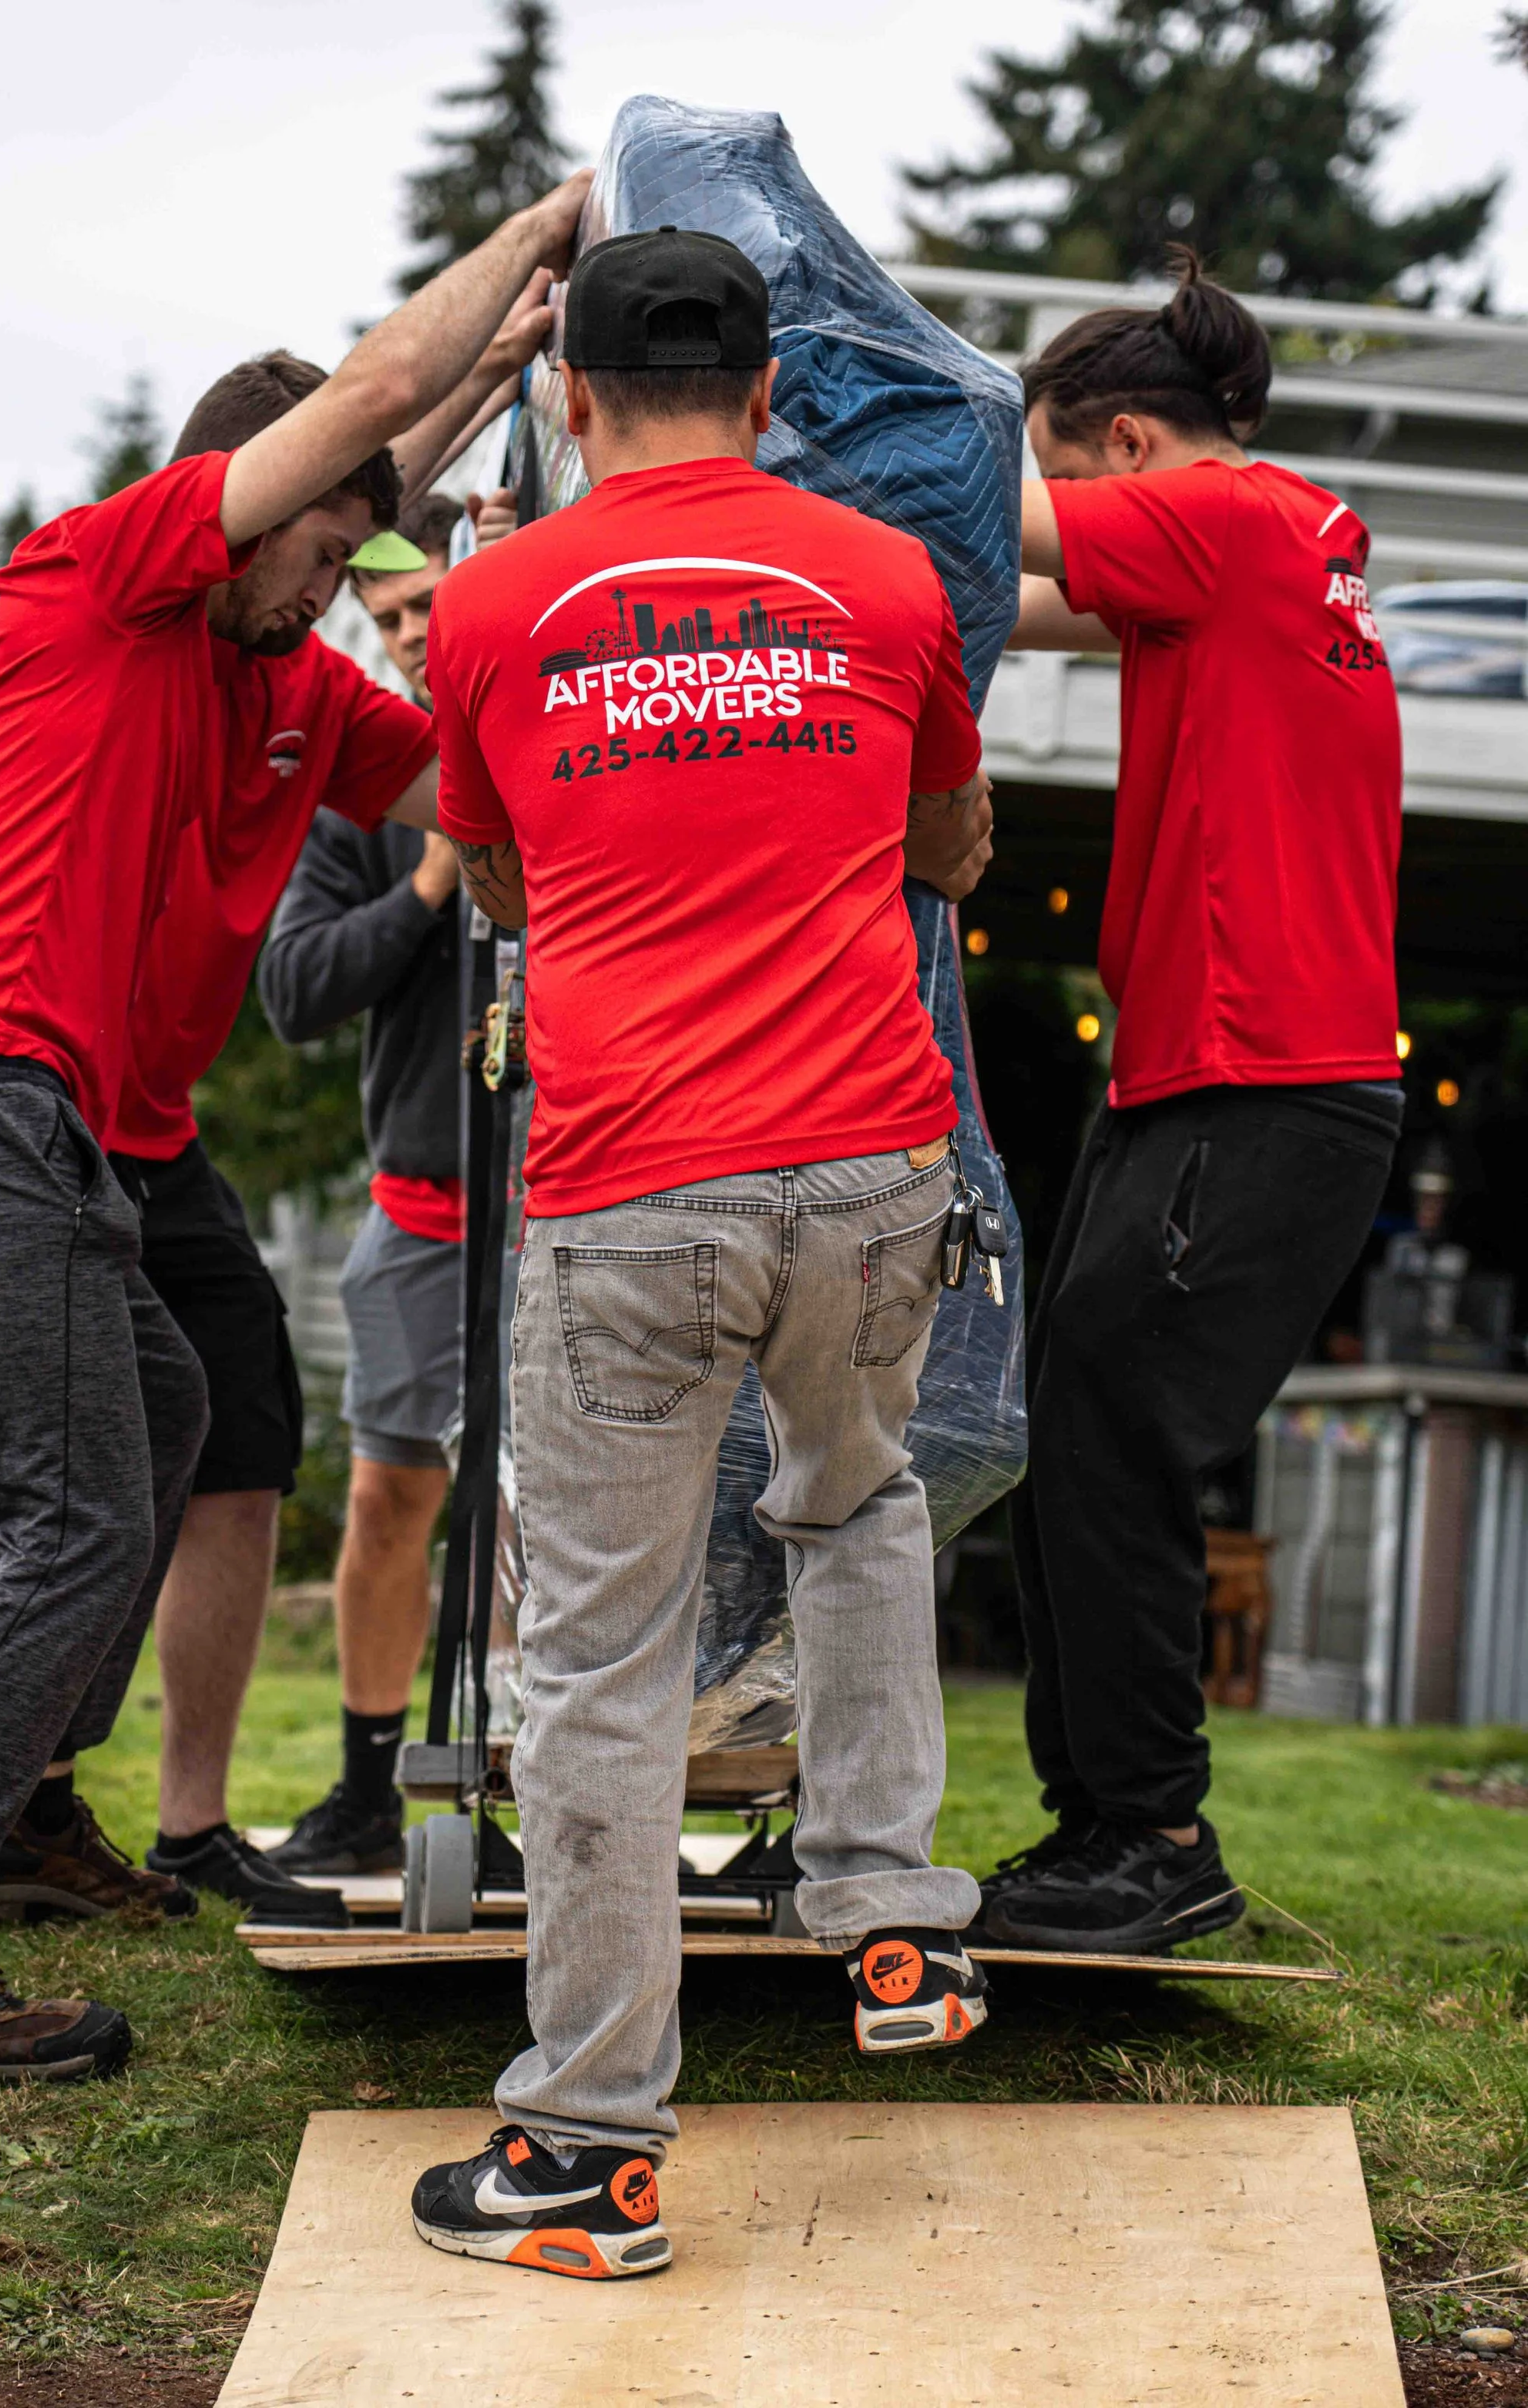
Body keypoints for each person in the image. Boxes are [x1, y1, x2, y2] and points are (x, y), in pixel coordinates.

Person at [0, 170, 590, 2084]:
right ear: (237, 497)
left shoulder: (280, 674)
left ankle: (14, 1818)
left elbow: (475, 795)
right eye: (307, 546)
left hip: (42, 1125)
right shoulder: (108, 566)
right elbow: (378, 384)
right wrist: (536, 239)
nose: (323, 589)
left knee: (159, 1416)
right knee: (68, 1513)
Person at [405, 226, 996, 2280]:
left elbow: (487, 872)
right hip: (862, 1163)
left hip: (630, 1184)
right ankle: (891, 1915)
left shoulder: (483, 607)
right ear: (767, 392)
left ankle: (583, 2151)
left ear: (569, 394)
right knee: (856, 1504)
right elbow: (944, 844)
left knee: (592, 1658)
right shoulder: (893, 581)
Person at [976, 251, 1404, 1957]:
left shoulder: (1218, 523)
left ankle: (1147, 1832)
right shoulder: (1268, 542)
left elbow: (984, 525)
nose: (1075, 520)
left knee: (1114, 1438)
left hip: (1260, 1074)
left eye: (1077, 479)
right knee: (1072, 1427)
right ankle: (1102, 1823)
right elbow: (985, 593)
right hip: (1206, 1077)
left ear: (1131, 447)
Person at [257, 490, 472, 1879]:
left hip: (580, 1208)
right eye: (383, 617)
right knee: (389, 1501)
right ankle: (364, 1789)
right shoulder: (364, 796)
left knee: (561, 1524)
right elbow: (291, 988)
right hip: (422, 1214)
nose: (403, 636)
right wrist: (434, 879)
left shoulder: (585, 741)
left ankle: (550, 1795)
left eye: (426, 607)